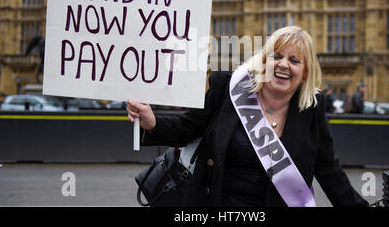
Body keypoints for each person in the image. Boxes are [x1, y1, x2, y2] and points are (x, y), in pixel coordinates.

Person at [127, 26, 368, 207]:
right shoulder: (228, 87)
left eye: (294, 60)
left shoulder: (312, 109)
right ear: (265, 61)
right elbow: (188, 126)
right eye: (277, 56)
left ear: (305, 72)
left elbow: (329, 172)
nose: (284, 64)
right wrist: (152, 121)